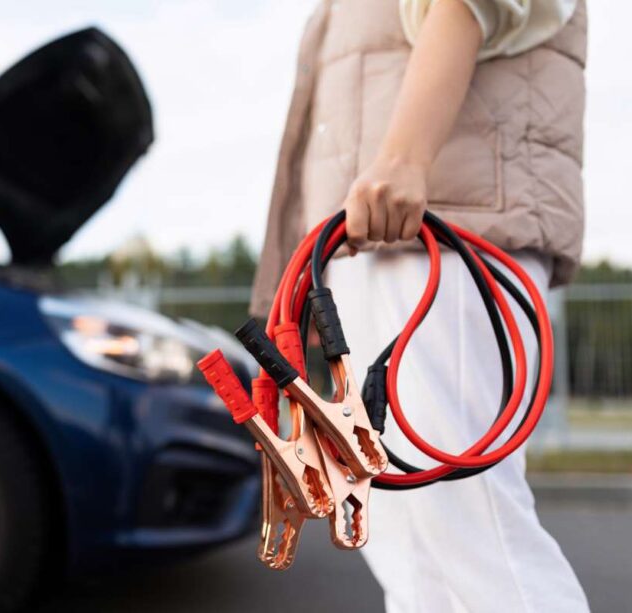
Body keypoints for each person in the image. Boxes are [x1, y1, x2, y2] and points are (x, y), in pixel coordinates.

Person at [251, 1, 589, 611]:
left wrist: (405, 156)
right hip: (366, 241)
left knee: (473, 537)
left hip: (445, 230)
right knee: (412, 556)